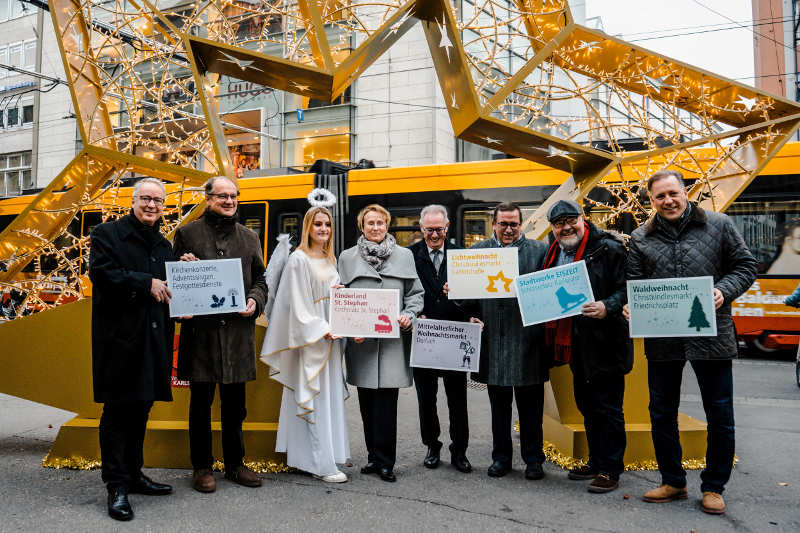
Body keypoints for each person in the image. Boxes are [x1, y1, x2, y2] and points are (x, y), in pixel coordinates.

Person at [625, 169, 758, 515]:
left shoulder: (719, 224)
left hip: (712, 334)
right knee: (661, 412)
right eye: (660, 196)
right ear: (651, 201)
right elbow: (634, 283)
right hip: (663, 338)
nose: (668, 201)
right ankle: (673, 481)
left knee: (719, 413)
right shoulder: (640, 238)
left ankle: (714, 486)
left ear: (685, 192)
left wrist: (722, 291)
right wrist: (631, 306)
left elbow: (746, 266)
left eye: (673, 193)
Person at [173, 175, 268, 493]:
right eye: (222, 196)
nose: (229, 201)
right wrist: (184, 267)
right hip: (202, 335)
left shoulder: (250, 237)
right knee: (200, 404)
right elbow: (174, 279)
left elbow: (261, 281)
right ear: (208, 198)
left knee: (235, 406)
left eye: (233, 196)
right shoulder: (186, 233)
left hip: (237, 336)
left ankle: (235, 464)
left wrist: (254, 300)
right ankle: (201, 467)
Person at [89, 177, 175, 521]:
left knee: (141, 410)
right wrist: (145, 282)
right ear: (134, 200)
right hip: (120, 342)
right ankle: (117, 486)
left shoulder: (164, 245)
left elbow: (169, 290)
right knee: (117, 415)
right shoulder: (106, 234)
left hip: (153, 341)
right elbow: (102, 273)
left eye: (158, 201)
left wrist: (184, 268)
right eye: (146, 199)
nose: (152, 205)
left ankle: (135, 475)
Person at [542, 200, 632, 493]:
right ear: (553, 228)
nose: (566, 227)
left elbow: (628, 287)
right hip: (576, 343)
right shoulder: (553, 252)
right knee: (587, 405)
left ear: (583, 218)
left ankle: (611, 469)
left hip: (606, 341)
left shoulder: (609, 248)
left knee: (608, 407)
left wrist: (609, 306)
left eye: (571, 220)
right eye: (559, 223)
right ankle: (596, 460)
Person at [261, 206, 350, 483]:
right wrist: (322, 329)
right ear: (308, 227)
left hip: (332, 336)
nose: (323, 229)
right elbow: (296, 305)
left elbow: (329, 294)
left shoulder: (328, 258)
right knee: (314, 396)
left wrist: (340, 299)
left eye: (327, 225)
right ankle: (319, 462)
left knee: (328, 395)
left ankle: (325, 454)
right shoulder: (298, 259)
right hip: (312, 337)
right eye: (318, 224)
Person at [339, 204, 424, 482]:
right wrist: (350, 326)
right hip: (362, 344)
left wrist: (408, 315)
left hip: (391, 345)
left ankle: (387, 461)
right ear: (362, 227)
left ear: (388, 225)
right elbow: (341, 301)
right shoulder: (347, 258)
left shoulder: (404, 256)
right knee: (366, 405)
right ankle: (373, 457)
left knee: (387, 405)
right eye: (370, 223)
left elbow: (415, 294)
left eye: (380, 223)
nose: (376, 228)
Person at [468, 202, 549, 480]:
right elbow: (465, 301)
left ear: (521, 224)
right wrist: (467, 312)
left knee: (531, 409)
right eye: (503, 223)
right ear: (493, 224)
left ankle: (534, 460)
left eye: (514, 223)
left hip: (528, 342)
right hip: (493, 343)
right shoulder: (476, 254)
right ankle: (500, 458)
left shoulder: (539, 251)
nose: (509, 229)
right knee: (498, 409)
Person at [407, 204, 471, 473]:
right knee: (426, 398)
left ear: (447, 228)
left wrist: (464, 301)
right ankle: (432, 446)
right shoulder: (409, 256)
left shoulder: (461, 255)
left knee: (458, 399)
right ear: (421, 229)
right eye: (429, 230)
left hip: (454, 337)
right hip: (424, 338)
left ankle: (460, 451)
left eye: (439, 230)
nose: (434, 235)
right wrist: (414, 314)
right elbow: (404, 291)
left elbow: (474, 298)